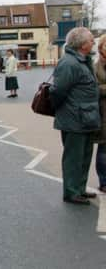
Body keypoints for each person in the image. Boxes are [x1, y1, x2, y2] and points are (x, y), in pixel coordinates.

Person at [50, 27, 100, 205]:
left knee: (84, 157)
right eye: (91, 39)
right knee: (73, 158)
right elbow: (57, 91)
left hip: (85, 118)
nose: (94, 42)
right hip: (74, 119)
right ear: (82, 44)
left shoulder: (81, 61)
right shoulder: (69, 63)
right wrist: (66, 111)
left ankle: (79, 189)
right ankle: (71, 192)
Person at [93, 34, 106, 193]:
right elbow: (94, 89)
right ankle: (104, 181)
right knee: (104, 149)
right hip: (103, 112)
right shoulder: (95, 66)